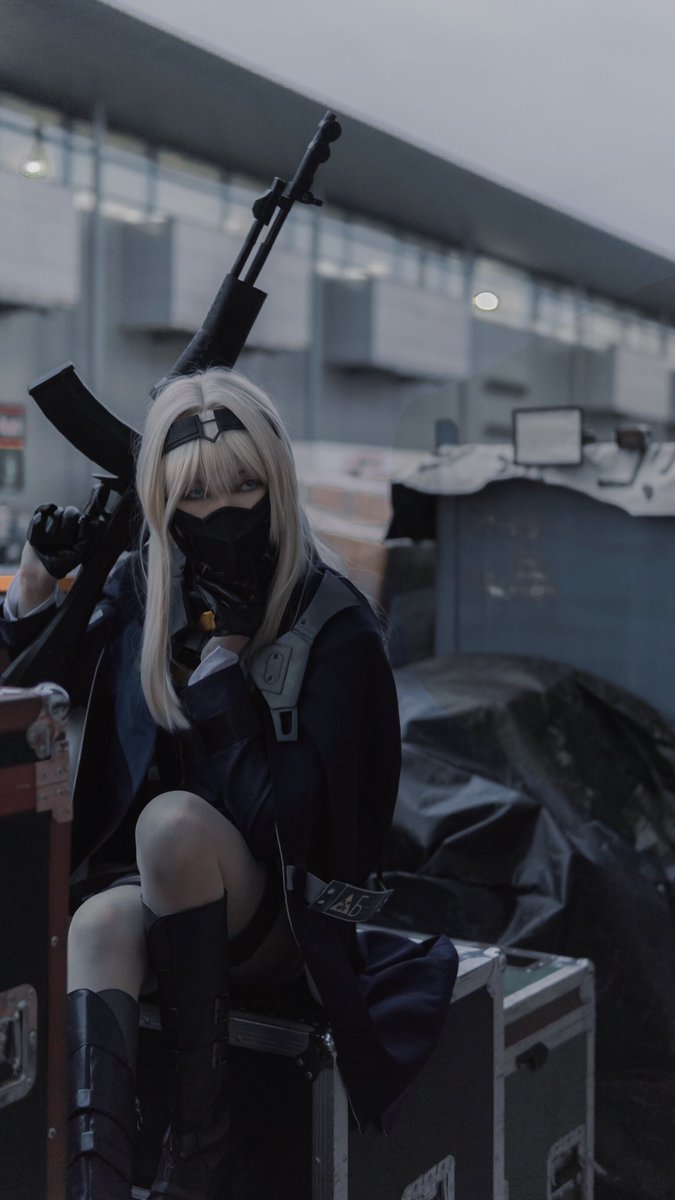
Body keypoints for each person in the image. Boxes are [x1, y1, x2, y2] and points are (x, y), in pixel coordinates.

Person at [1, 367, 457, 1200]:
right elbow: (30, 700)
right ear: (164, 503)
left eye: (244, 485)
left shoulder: (336, 625)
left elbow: (299, 839)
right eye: (195, 495)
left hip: (288, 923)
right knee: (97, 920)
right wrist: (36, 582)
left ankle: (200, 1154)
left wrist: (223, 690)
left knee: (172, 823)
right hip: (164, 903)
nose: (222, 513)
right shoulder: (147, 590)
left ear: (276, 481)